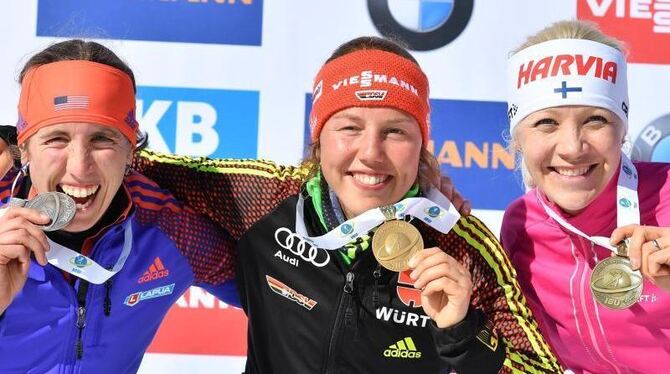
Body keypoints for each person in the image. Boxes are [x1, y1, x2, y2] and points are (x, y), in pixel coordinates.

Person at [216, 36, 559, 373]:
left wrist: (462, 332)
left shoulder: (460, 245)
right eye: (349, 127)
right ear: (318, 140)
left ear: (421, 146)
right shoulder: (259, 201)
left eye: (395, 132)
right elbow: (160, 173)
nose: (370, 154)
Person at [0, 40, 246, 373]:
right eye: (56, 139)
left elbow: (286, 304)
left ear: (131, 151)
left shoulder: (172, 230)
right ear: (24, 149)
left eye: (102, 139)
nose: (79, 166)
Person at [501, 20, 670, 373]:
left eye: (595, 120)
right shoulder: (521, 226)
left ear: (622, 131)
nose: (572, 148)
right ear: (519, 141)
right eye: (547, 122)